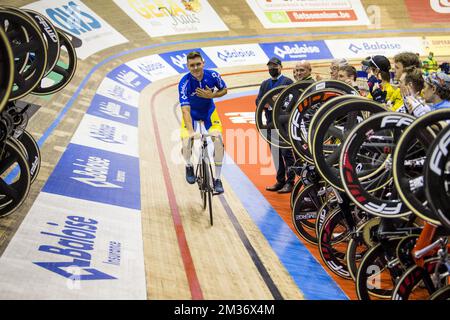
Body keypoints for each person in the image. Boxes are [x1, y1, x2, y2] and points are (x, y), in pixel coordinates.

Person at [179, 51, 228, 194]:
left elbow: (224, 90)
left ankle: (217, 179)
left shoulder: (212, 76)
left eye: (198, 64)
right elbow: (186, 111)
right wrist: (191, 131)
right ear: (188, 66)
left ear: (203, 63)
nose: (195, 68)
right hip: (192, 114)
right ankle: (189, 165)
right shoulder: (184, 83)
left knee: (218, 141)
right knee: (187, 140)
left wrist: (213, 95)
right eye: (192, 65)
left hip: (209, 113)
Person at [255, 57, 295, 193]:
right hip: (269, 122)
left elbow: (291, 101)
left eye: (274, 66)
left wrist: (271, 102)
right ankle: (280, 180)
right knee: (275, 152)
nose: (272, 69)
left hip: (283, 122)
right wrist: (271, 101)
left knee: (286, 152)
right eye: (269, 66)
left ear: (281, 67)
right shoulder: (264, 84)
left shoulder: (288, 82)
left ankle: (290, 182)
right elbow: (259, 102)